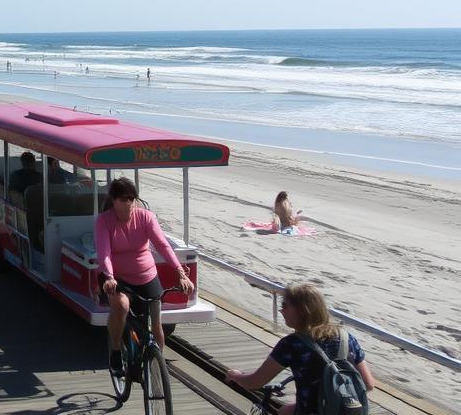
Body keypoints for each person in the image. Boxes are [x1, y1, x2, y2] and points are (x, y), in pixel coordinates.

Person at [226, 283, 375, 415]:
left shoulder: (292, 344)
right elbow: (368, 384)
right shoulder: (346, 337)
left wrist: (235, 375)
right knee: (285, 411)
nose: (281, 310)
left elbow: (255, 382)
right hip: (348, 409)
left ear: (302, 310)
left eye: (285, 305)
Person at [95, 177, 194, 375]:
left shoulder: (146, 217)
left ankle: (157, 367)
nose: (129, 203)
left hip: (146, 275)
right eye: (124, 199)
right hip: (116, 277)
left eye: (132, 198)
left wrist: (181, 273)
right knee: (121, 306)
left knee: (156, 323)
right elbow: (104, 253)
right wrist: (110, 276)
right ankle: (115, 351)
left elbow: (163, 245)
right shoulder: (104, 221)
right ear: (114, 200)